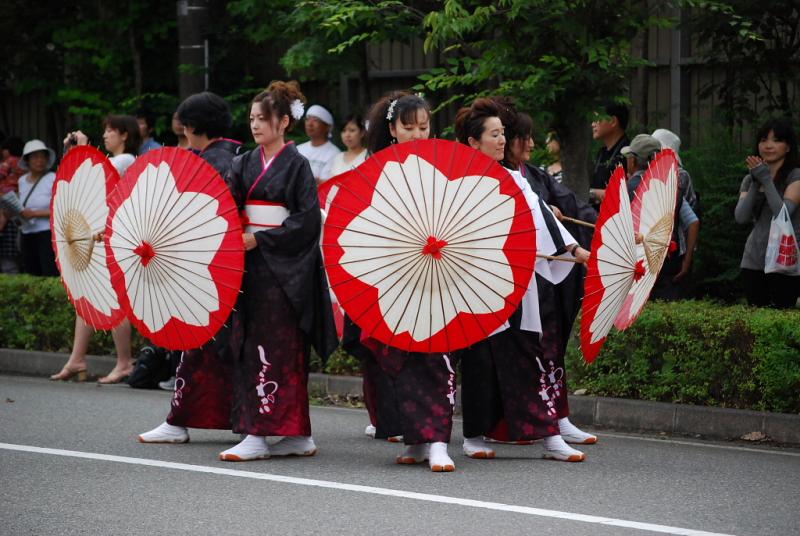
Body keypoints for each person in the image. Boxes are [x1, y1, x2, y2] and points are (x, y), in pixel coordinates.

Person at [455, 98, 589, 462]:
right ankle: (474, 434)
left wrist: (575, 250)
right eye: (494, 134)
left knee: (528, 353)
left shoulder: (514, 178)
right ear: (473, 142)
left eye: (502, 133)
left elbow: (542, 218)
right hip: (477, 282)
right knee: (480, 359)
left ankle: (548, 435)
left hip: (518, 281)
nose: (502, 140)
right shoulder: (459, 180)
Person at [213, 81, 337, 461]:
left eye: (263, 119)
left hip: (284, 271)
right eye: (251, 118)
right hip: (249, 263)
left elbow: (305, 222)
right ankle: (285, 431)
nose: (255, 125)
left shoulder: (297, 164)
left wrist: (262, 240)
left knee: (281, 348)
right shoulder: (244, 162)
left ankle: (269, 432)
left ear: (284, 122)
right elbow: (227, 205)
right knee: (252, 344)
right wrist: (238, 232)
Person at [342, 91, 457, 472]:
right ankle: (415, 438)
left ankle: (438, 439)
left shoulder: (446, 163)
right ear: (391, 129)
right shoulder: (373, 168)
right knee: (401, 358)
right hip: (393, 273)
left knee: (435, 356)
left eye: (424, 126)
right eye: (408, 127)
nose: (417, 134)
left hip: (436, 273)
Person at [138, 91, 244, 444]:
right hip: (233, 267)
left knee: (197, 347)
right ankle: (239, 419)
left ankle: (178, 421)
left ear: (193, 126)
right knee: (224, 350)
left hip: (205, 267)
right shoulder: (238, 156)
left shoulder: (206, 163)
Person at [496, 101, 598, 445]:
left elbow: (569, 206)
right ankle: (512, 425)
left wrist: (604, 228)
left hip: (546, 270)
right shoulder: (495, 175)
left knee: (549, 346)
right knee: (513, 352)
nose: (530, 144)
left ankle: (557, 414)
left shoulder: (534, 175)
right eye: (523, 137)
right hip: (510, 273)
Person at [51, 115, 141, 383]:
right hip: (96, 237)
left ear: (124, 135)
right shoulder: (114, 160)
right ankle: (77, 359)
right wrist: (77, 153)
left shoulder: (125, 160)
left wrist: (82, 150)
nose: (106, 136)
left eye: (111, 131)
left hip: (112, 237)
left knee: (113, 300)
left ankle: (124, 362)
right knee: (86, 295)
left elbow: (93, 175)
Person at [622, 134, 700, 301]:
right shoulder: (671, 185)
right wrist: (686, 261)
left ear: (634, 161)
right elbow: (692, 221)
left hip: (637, 265)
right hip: (668, 259)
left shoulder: (627, 189)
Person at [734, 118, 800, 308]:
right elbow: (741, 217)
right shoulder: (749, 179)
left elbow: (783, 215)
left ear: (787, 147)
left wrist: (766, 179)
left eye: (776, 140)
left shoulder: (795, 176)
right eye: (763, 140)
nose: (768, 145)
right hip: (753, 259)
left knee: (780, 318)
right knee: (756, 320)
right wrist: (756, 181)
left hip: (784, 260)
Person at [17, 139, 58, 276]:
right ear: (27, 160)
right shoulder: (21, 181)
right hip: (26, 233)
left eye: (42, 156)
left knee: (49, 271)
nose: (39, 160)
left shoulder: (53, 178)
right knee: (30, 272)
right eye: (35, 157)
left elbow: (60, 209)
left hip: (47, 234)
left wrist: (35, 214)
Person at [589, 102, 630, 209]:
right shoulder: (601, 153)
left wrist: (590, 193)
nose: (593, 124)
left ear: (613, 121)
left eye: (597, 119)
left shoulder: (628, 153)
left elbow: (624, 194)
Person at [297, 104, 341, 184]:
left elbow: (326, 184)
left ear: (328, 127)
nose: (309, 124)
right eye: (307, 119)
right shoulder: (298, 149)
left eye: (315, 120)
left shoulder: (335, 154)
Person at [0, 137, 24, 273]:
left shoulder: (8, 162)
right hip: (16, 192)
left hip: (6, 192)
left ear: (8, 150)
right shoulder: (22, 162)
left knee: (3, 214)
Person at [321, 113, 367, 181]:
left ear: (362, 132)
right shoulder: (337, 158)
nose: (347, 135)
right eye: (344, 131)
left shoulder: (368, 156)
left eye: (352, 130)